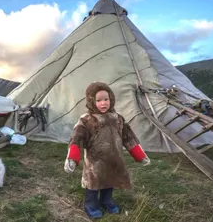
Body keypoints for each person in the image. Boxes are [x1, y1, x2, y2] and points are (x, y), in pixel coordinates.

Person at [63, 81, 151, 219]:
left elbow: (129, 137)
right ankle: (91, 204)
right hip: (95, 162)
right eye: (99, 100)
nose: (103, 103)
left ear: (111, 99)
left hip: (114, 159)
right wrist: (73, 158)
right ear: (92, 101)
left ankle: (106, 200)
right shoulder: (87, 120)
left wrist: (140, 155)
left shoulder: (118, 119)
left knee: (111, 180)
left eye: (106, 99)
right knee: (93, 183)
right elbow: (77, 138)